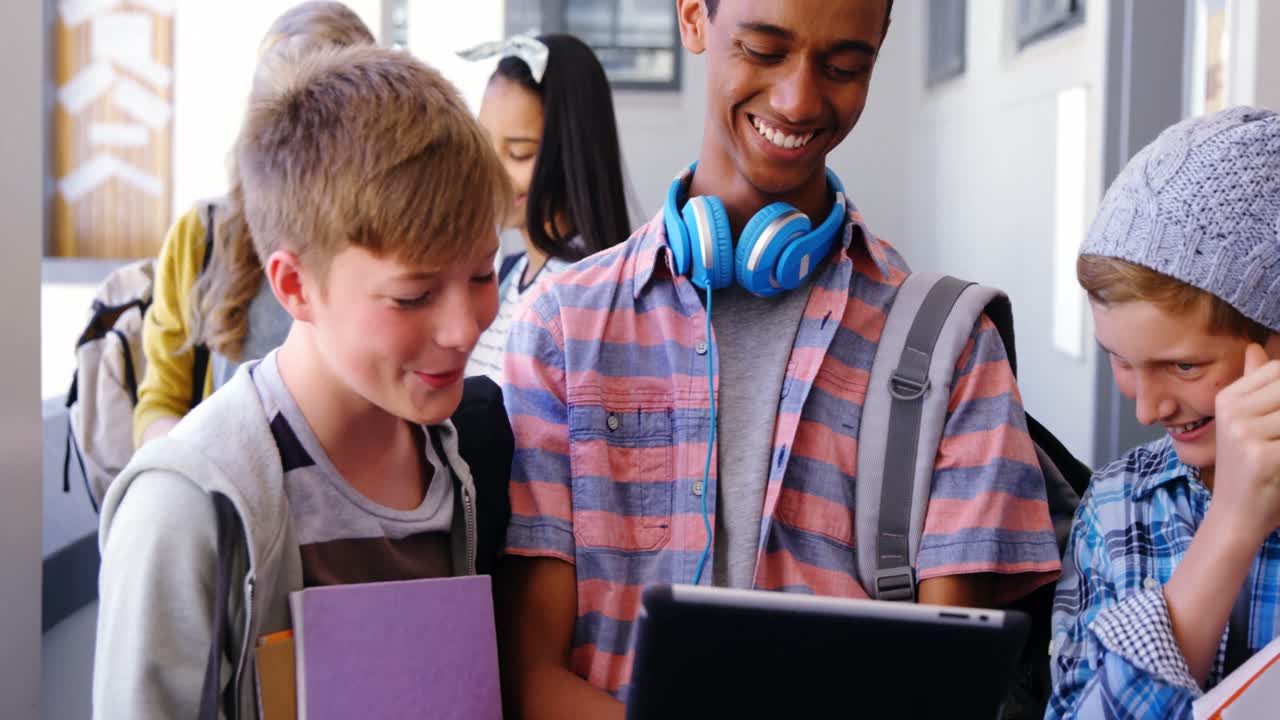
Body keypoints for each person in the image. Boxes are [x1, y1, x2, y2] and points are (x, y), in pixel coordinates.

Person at [497, 1, 1062, 716]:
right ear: (695, 18)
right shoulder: (562, 327)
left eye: (845, 67)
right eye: (763, 51)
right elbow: (528, 675)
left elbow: (944, 691)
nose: (799, 100)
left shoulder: (953, 346)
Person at [92, 45, 514, 719]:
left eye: (483, 275)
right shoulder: (188, 506)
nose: (464, 328)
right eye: (412, 296)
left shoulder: (454, 462)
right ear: (294, 286)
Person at [1048, 106, 1280, 719]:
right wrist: (1230, 529)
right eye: (1120, 361)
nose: (1148, 409)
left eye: (1184, 367)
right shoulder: (1123, 506)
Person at [133, 1, 374, 447]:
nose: (301, 153)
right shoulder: (203, 235)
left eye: (323, 130)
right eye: (282, 124)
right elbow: (161, 401)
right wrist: (195, 472)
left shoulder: (389, 242)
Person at [461, 32, 631, 382]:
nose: (491, 172)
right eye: (484, 146)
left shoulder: (587, 295)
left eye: (519, 153)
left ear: (574, 152)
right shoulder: (508, 275)